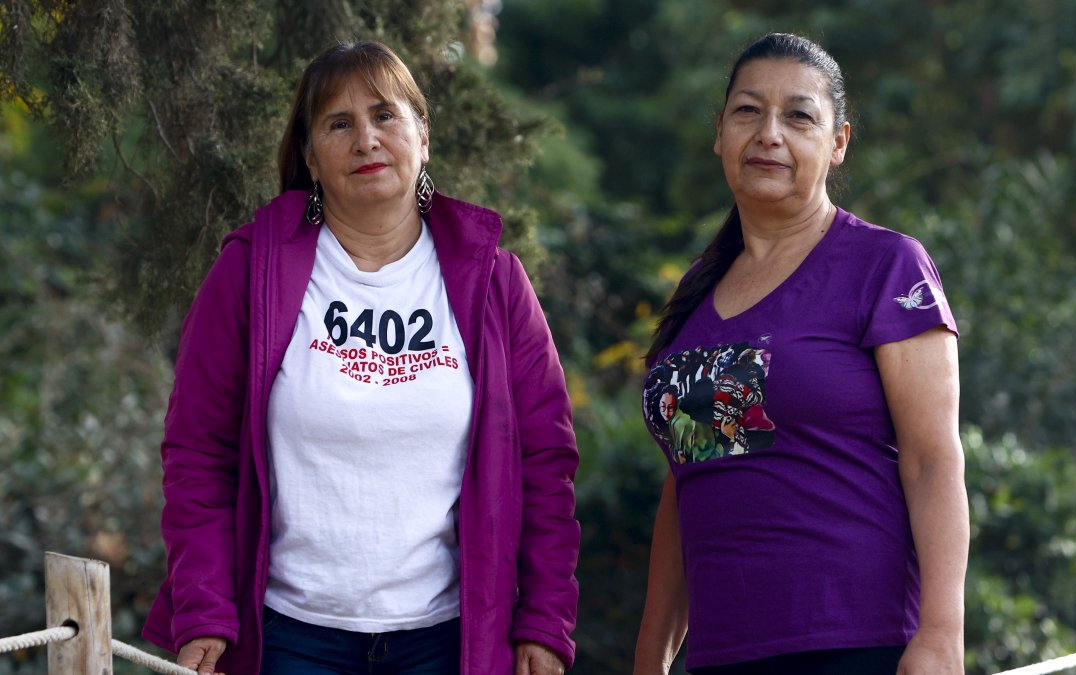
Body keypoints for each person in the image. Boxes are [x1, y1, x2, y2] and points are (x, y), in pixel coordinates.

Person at [141, 40, 580, 675]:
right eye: (338, 124)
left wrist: (543, 619)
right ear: (310, 158)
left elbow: (546, 464)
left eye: (384, 115)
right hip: (288, 639)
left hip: (446, 640)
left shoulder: (495, 281)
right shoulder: (250, 272)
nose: (366, 139)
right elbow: (199, 453)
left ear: (422, 136)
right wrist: (204, 608)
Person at [633, 33, 968, 675]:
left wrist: (940, 637)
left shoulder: (885, 266)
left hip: (855, 644)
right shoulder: (697, 298)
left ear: (837, 142)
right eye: (748, 111)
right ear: (720, 133)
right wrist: (654, 650)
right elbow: (690, 477)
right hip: (720, 653)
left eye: (798, 115)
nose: (769, 134)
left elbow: (932, 462)